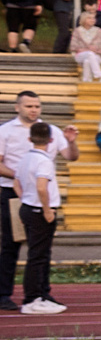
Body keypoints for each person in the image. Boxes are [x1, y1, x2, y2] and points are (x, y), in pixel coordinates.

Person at [1, 90, 77, 310]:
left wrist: (71, 142)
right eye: (28, 106)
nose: (33, 110)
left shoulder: (50, 130)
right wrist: (23, 176)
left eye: (37, 106)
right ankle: (4, 293)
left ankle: (42, 293)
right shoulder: (5, 131)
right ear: (17, 107)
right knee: (10, 245)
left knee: (42, 249)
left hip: (39, 193)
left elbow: (71, 156)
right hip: (13, 192)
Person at [7, 121, 65, 313]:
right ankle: (32, 299)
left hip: (28, 207)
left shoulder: (24, 158)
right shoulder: (44, 160)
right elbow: (42, 186)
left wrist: (26, 198)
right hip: (40, 210)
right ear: (50, 139)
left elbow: (16, 183)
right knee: (38, 256)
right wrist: (47, 209)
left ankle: (40, 295)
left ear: (29, 139)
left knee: (38, 253)